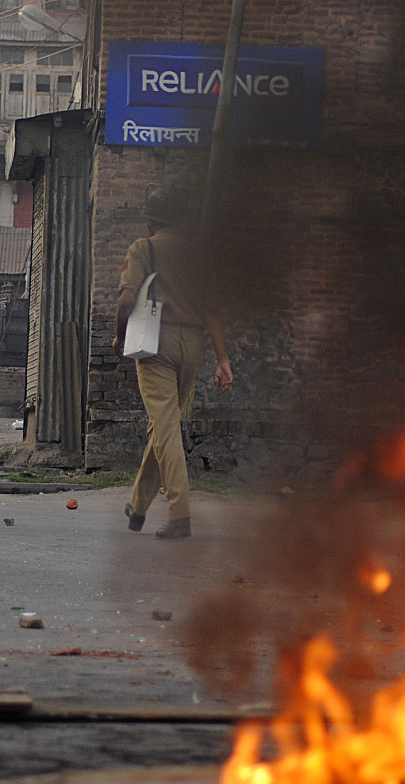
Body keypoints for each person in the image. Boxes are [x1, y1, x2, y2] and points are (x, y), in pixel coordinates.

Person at [112, 187, 233, 539]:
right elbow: (212, 309)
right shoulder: (199, 256)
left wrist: (120, 337)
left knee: (165, 427)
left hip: (155, 342)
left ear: (151, 220)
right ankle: (137, 505)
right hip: (191, 345)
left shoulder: (143, 248)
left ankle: (180, 513)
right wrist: (223, 359)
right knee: (164, 423)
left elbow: (125, 300)